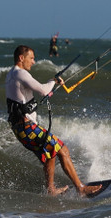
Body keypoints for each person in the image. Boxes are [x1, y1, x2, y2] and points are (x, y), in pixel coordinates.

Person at [5, 45, 101, 196]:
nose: (34, 62)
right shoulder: (21, 74)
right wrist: (53, 81)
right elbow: (43, 90)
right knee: (62, 149)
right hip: (27, 127)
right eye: (31, 58)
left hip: (20, 128)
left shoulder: (10, 74)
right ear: (21, 58)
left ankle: (50, 190)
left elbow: (22, 99)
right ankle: (81, 189)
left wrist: (50, 84)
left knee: (50, 152)